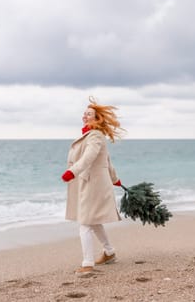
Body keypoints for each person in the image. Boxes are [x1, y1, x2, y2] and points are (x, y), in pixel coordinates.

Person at [61, 97, 124, 274]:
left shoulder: (95, 136)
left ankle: (88, 264)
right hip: (90, 182)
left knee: (86, 223)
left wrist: (72, 171)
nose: (85, 116)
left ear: (97, 119)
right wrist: (114, 178)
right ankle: (109, 252)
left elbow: (89, 157)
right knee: (92, 220)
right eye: (84, 114)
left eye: (89, 114)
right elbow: (107, 160)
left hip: (93, 184)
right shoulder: (91, 134)